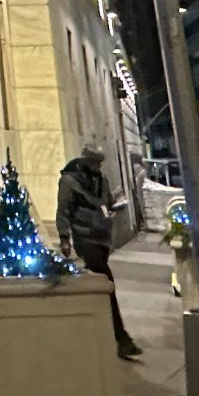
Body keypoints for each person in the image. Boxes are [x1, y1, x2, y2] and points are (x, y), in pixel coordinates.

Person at [59, 144, 141, 360]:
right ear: (86, 161)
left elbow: (107, 202)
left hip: (103, 237)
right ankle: (121, 338)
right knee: (107, 283)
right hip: (85, 238)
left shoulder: (100, 180)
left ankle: (91, 331)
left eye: (100, 163)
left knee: (96, 286)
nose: (99, 167)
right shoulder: (70, 181)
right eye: (95, 163)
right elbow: (63, 210)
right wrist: (64, 237)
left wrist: (115, 206)